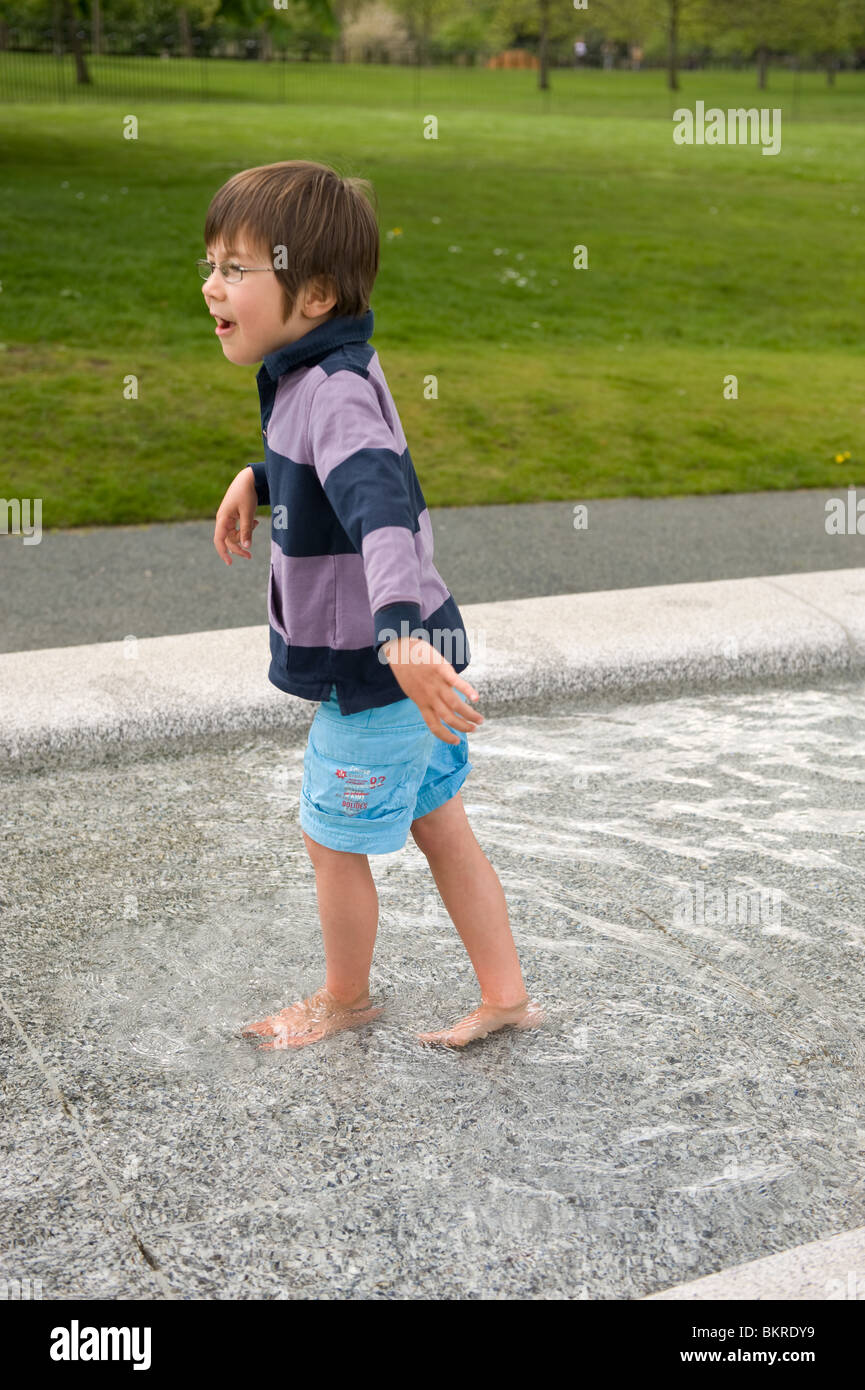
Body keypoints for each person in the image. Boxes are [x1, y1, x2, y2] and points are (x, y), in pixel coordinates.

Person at [202, 160, 546, 1050]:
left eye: (237, 268)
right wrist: (259, 477)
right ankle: (504, 994)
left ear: (313, 293)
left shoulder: (333, 390)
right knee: (441, 827)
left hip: (378, 672)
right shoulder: (315, 371)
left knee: (330, 839)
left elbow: (380, 511)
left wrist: (396, 634)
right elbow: (321, 465)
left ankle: (345, 999)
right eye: (211, 264)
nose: (212, 285)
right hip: (408, 666)